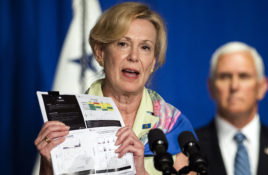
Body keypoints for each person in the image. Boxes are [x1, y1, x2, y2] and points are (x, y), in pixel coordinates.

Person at [34, 2, 195, 175]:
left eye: (145, 47)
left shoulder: (174, 125)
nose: (134, 56)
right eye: (123, 44)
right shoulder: (68, 121)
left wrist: (139, 171)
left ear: (153, 62)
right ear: (100, 52)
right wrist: (48, 166)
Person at [195, 41, 268, 175]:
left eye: (244, 76)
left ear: (262, 87)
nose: (234, 86)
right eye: (225, 76)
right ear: (210, 87)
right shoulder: (186, 151)